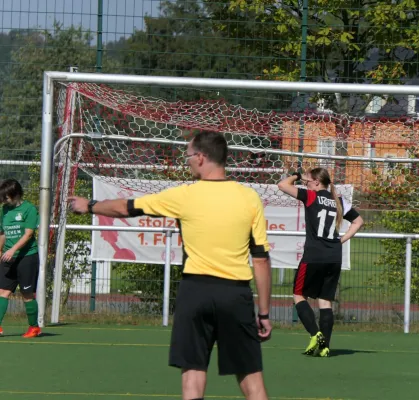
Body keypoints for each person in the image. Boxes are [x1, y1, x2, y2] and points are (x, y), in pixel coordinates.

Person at [69, 131, 273, 400]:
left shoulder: (184, 195)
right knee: (251, 379)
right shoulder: (248, 198)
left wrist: (90, 205)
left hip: (195, 292)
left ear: (201, 158)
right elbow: (260, 259)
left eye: (188, 156)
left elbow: (126, 208)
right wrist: (264, 313)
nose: (186, 161)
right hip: (235, 294)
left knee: (193, 374)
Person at [277, 168, 364, 357]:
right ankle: (325, 347)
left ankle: (315, 334)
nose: (305, 183)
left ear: (317, 182)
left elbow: (283, 185)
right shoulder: (339, 201)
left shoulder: (311, 197)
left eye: (308, 180)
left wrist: (298, 175)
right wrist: (340, 240)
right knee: (325, 301)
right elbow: (358, 222)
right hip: (333, 256)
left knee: (299, 295)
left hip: (314, 255)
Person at [0, 179, 42, 338]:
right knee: (2, 291)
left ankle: (34, 327)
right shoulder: (4, 210)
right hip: (8, 258)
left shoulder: (29, 209)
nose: (4, 201)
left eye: (6, 197)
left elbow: (28, 234)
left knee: (27, 295)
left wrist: (13, 249)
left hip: (27, 257)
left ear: (16, 194)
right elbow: (2, 233)